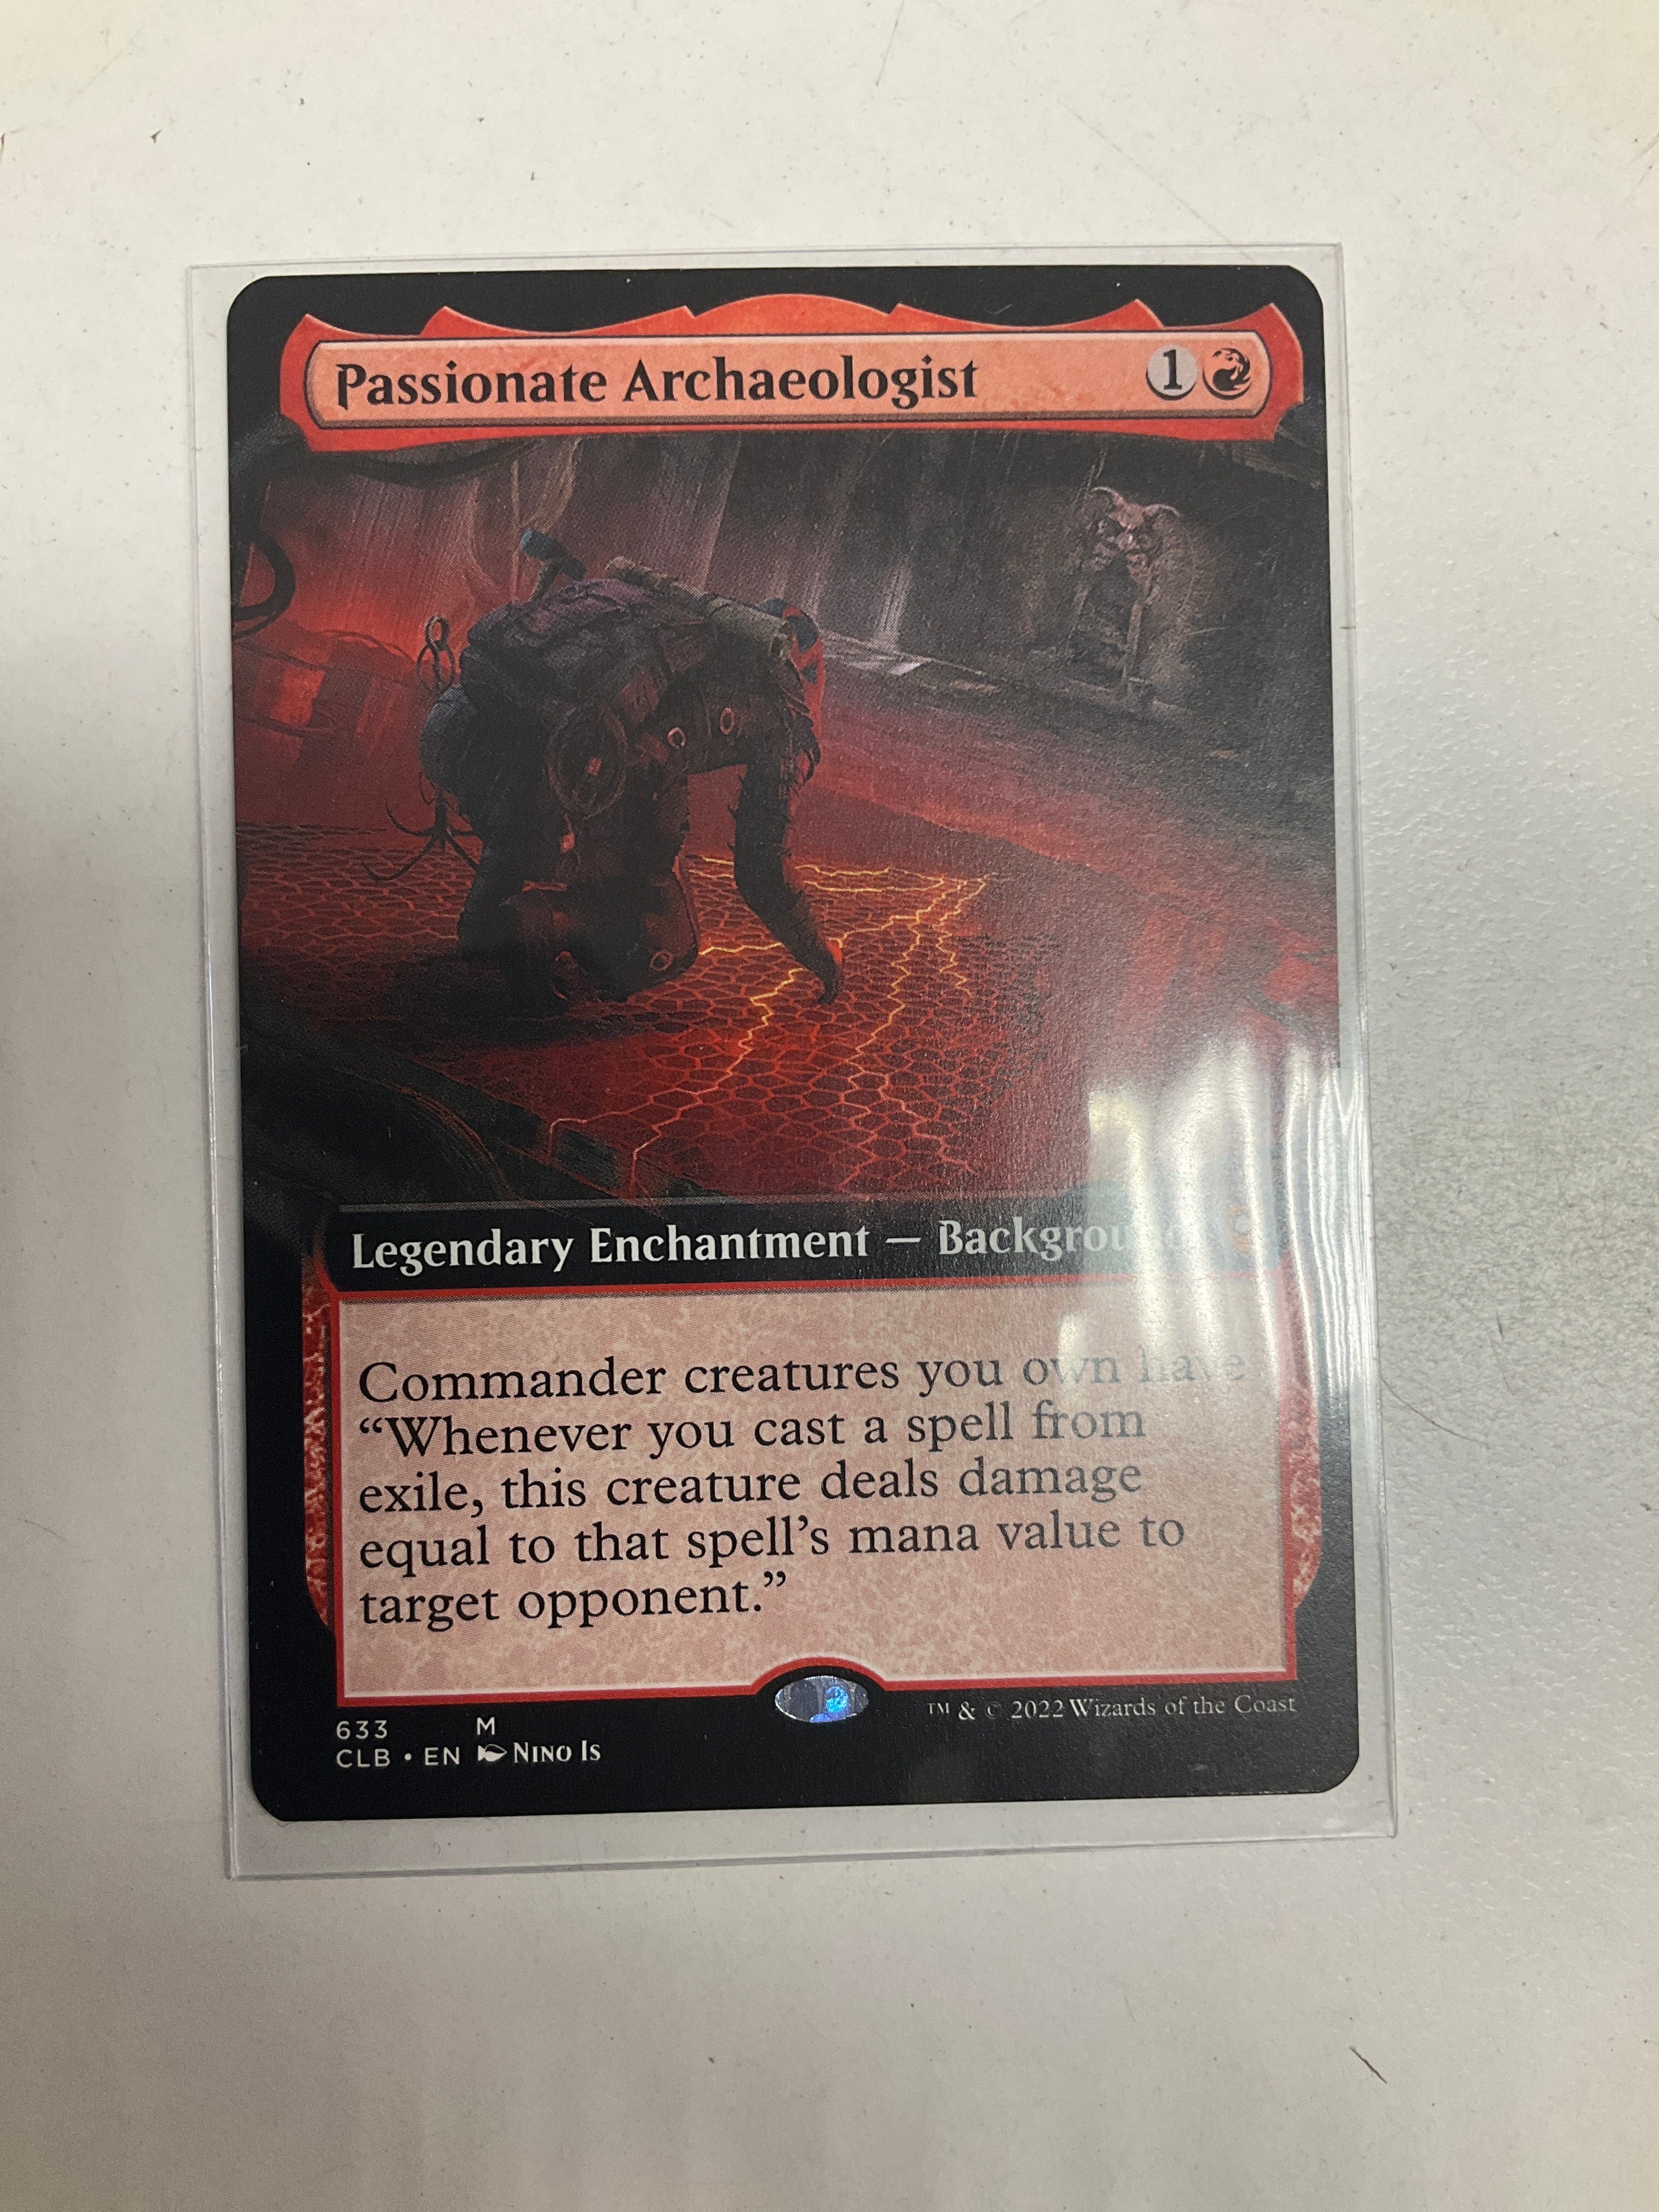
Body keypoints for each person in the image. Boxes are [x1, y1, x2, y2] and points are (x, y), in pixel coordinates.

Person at [417, 538, 842, 1014]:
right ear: (806, 669)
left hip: (486, 748)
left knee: (616, 806)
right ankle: (540, 925)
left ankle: (486, 927)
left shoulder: (682, 631)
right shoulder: (783, 714)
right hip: (579, 780)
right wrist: (819, 952)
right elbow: (763, 872)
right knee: (669, 938)